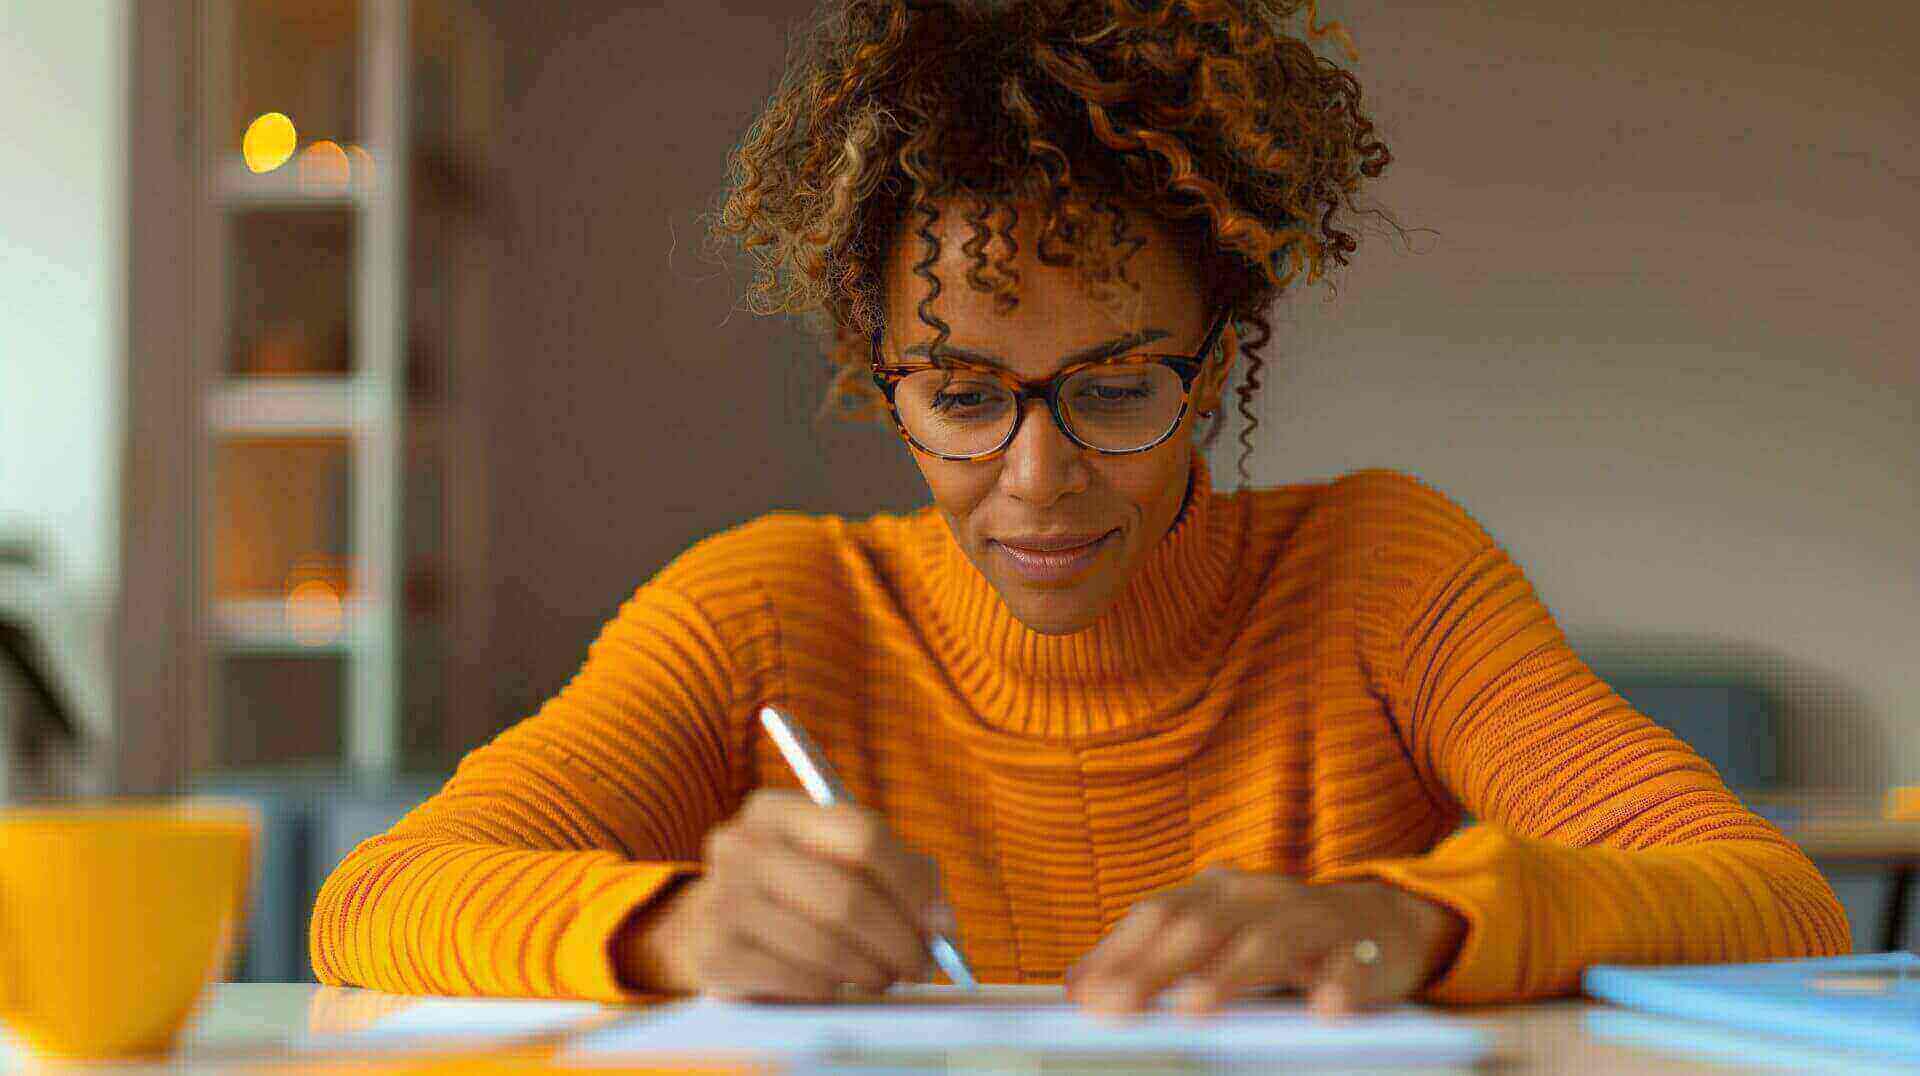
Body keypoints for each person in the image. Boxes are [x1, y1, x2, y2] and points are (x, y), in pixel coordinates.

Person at [310, 0, 1847, 1017]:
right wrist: (670, 931)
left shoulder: (1383, 572)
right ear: (878, 375)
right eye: (964, 396)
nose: (1037, 483)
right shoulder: (763, 612)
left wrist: (1416, 920)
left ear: (1219, 361)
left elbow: (1774, 898)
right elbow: (378, 899)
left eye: (1116, 389)